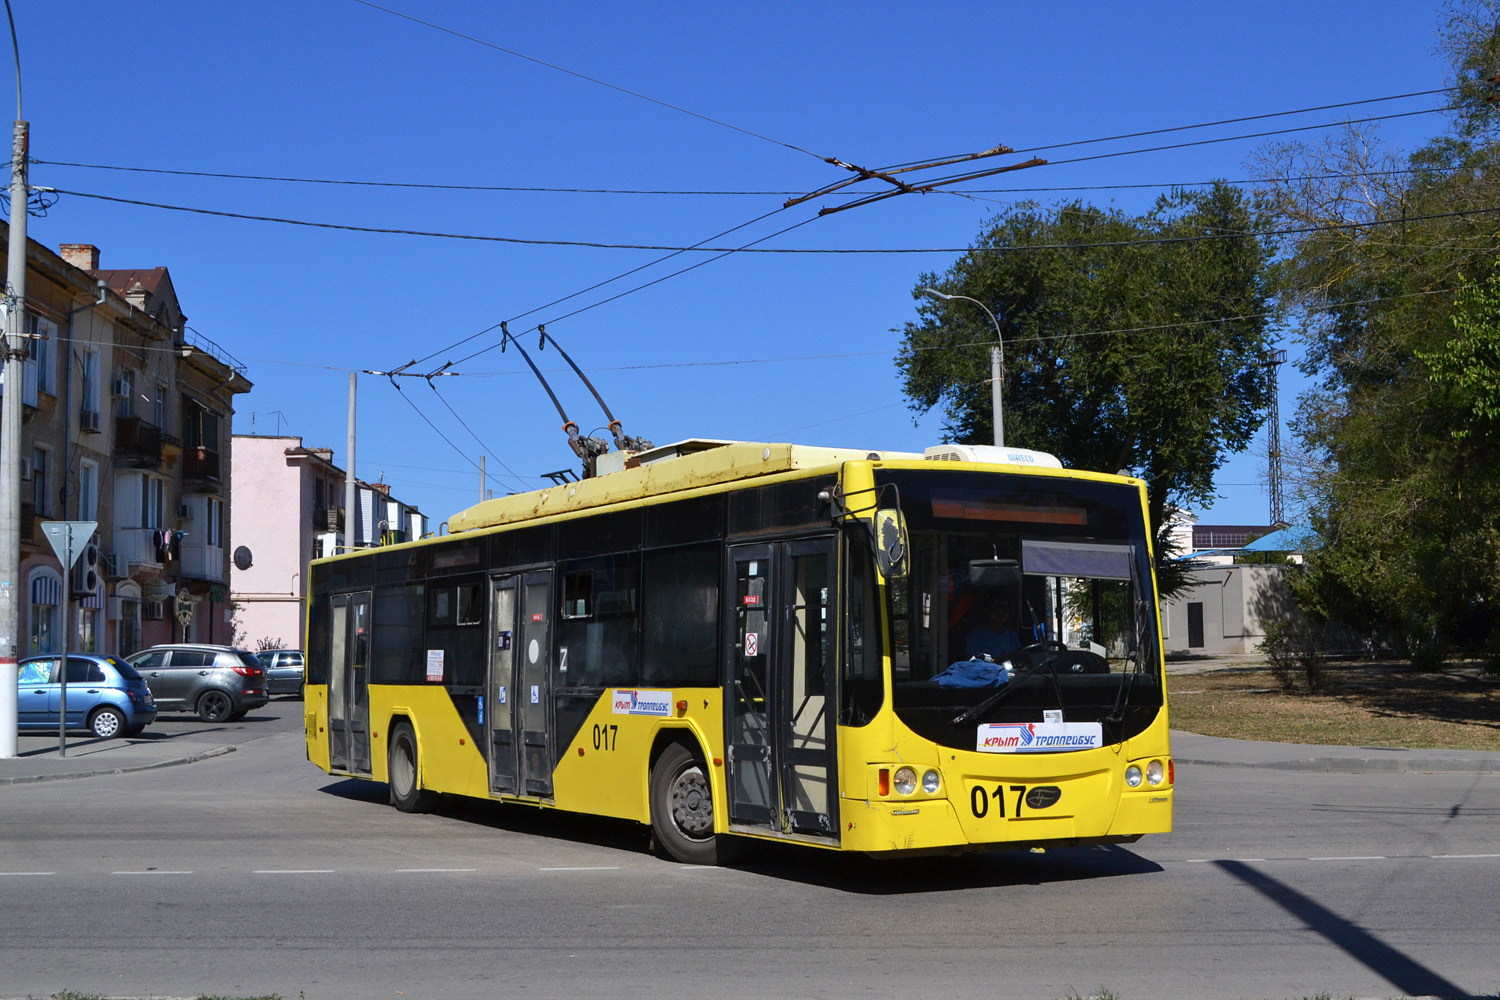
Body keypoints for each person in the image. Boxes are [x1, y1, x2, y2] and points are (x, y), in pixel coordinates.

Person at [964, 593, 1022, 660]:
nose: (1000, 612)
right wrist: (992, 661)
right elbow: (970, 660)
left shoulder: (1011, 635)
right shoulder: (977, 634)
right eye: (996, 608)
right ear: (987, 610)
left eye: (1004, 608)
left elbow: (1018, 658)